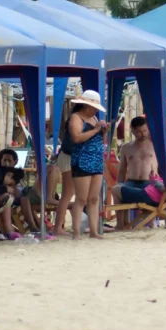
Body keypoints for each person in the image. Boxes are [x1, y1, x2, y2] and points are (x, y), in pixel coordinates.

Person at [67, 89, 108, 239]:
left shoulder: (95, 119)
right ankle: (77, 231)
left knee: (94, 198)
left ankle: (93, 230)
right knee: (81, 198)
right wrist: (96, 129)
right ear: (85, 106)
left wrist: (103, 132)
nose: (96, 110)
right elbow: (77, 137)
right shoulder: (76, 118)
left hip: (96, 160)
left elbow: (99, 141)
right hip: (82, 160)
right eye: (94, 107)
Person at [115, 116, 157, 229]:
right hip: (131, 182)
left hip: (149, 182)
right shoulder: (126, 147)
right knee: (116, 190)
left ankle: (151, 222)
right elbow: (122, 170)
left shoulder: (155, 145)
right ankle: (121, 224)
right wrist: (119, 183)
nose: (142, 134)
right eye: (138, 132)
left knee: (151, 191)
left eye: (144, 131)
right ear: (132, 131)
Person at [0, 148, 43, 236]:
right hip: (5, 199)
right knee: (25, 200)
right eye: (4, 160)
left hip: (17, 199)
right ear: (0, 161)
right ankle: (33, 227)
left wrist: (13, 182)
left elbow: (19, 193)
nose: (7, 162)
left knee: (26, 201)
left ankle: (39, 227)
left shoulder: (17, 173)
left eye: (9, 160)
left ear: (15, 162)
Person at [52, 104, 82, 237]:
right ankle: (58, 227)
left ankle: (61, 226)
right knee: (67, 194)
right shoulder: (75, 121)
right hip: (70, 157)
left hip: (69, 156)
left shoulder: (74, 120)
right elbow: (71, 144)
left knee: (71, 194)